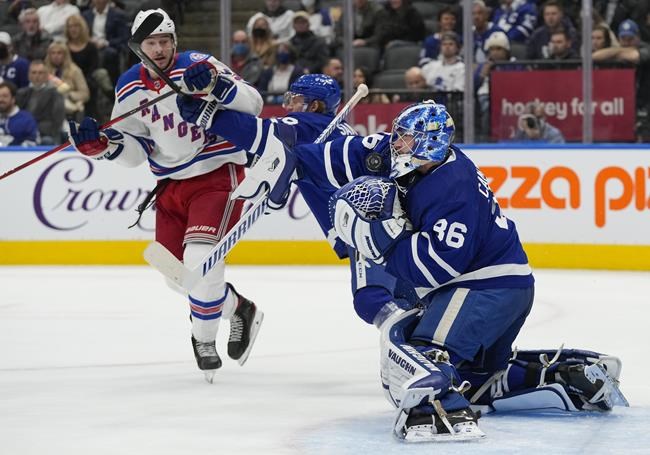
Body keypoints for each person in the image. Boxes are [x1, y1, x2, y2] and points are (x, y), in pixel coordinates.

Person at [175, 96, 628, 440]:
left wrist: (379, 239)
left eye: (405, 138)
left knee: (417, 351)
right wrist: (292, 162)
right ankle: (563, 374)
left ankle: (435, 405)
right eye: (397, 136)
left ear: (429, 142)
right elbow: (338, 155)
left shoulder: (453, 188)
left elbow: (433, 269)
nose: (396, 144)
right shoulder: (403, 155)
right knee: (477, 382)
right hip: (500, 287)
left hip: (485, 289)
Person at [65, 8, 265, 382]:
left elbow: (253, 103)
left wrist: (216, 86)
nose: (159, 49)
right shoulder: (129, 86)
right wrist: (105, 147)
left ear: (174, 42)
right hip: (170, 187)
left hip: (216, 174)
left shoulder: (199, 64)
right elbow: (135, 151)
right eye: (151, 43)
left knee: (200, 261)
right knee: (177, 277)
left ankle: (202, 339)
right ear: (138, 47)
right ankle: (238, 307)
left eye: (164, 41)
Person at [16, 60, 65, 144]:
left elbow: (58, 121)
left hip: (46, 134)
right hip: (23, 133)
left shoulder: (55, 94)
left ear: (47, 75)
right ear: (28, 75)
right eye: (33, 73)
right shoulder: (21, 93)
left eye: (40, 73)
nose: (37, 76)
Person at [44, 41, 90, 121]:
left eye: (59, 53)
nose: (56, 56)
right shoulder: (44, 70)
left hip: (68, 106)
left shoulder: (75, 70)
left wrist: (69, 94)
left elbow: (85, 94)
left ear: (65, 55)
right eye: (53, 53)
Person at [0, 81, 38, 146]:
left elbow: (32, 144)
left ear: (13, 99)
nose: (1, 99)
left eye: (5, 96)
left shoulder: (26, 120)